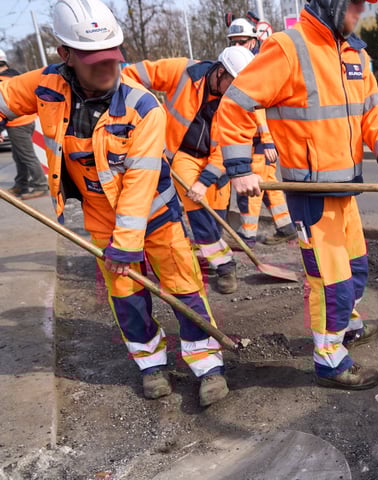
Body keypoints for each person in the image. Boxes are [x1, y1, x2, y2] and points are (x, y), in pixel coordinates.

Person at [0, 0, 228, 406]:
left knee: (184, 286)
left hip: (156, 215)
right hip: (101, 220)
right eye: (94, 61)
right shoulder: (46, 84)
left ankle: (206, 362)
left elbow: (139, 185)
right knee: (125, 296)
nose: (107, 68)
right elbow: (4, 99)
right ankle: (151, 364)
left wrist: (126, 244)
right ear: (65, 55)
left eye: (112, 58)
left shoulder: (143, 107)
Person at [213, 0, 378, 390]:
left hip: (345, 191)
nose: (360, 14)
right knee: (330, 283)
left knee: (356, 271)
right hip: (310, 195)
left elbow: (375, 110)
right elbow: (235, 105)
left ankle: (345, 328)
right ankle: (330, 361)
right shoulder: (289, 48)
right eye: (354, 5)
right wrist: (239, 169)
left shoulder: (354, 52)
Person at [123, 47, 257, 294]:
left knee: (214, 216)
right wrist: (139, 109)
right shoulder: (182, 71)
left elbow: (230, 147)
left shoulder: (239, 100)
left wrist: (205, 180)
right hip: (183, 153)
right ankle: (225, 265)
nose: (236, 91)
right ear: (219, 72)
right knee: (197, 208)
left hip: (218, 161)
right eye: (233, 83)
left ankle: (210, 250)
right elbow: (129, 74)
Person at [224, 16, 296, 247]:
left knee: (251, 190)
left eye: (242, 42)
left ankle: (247, 235)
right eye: (232, 42)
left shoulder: (256, 70)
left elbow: (261, 110)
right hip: (261, 140)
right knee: (267, 185)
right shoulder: (245, 65)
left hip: (260, 142)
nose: (236, 46)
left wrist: (267, 142)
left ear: (253, 42)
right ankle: (285, 226)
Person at [0, 49, 49, 200]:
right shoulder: (16, 75)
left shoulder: (2, 81)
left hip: (16, 123)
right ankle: (21, 184)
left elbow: (3, 106)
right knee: (19, 155)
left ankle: (40, 185)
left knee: (26, 156)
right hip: (27, 120)